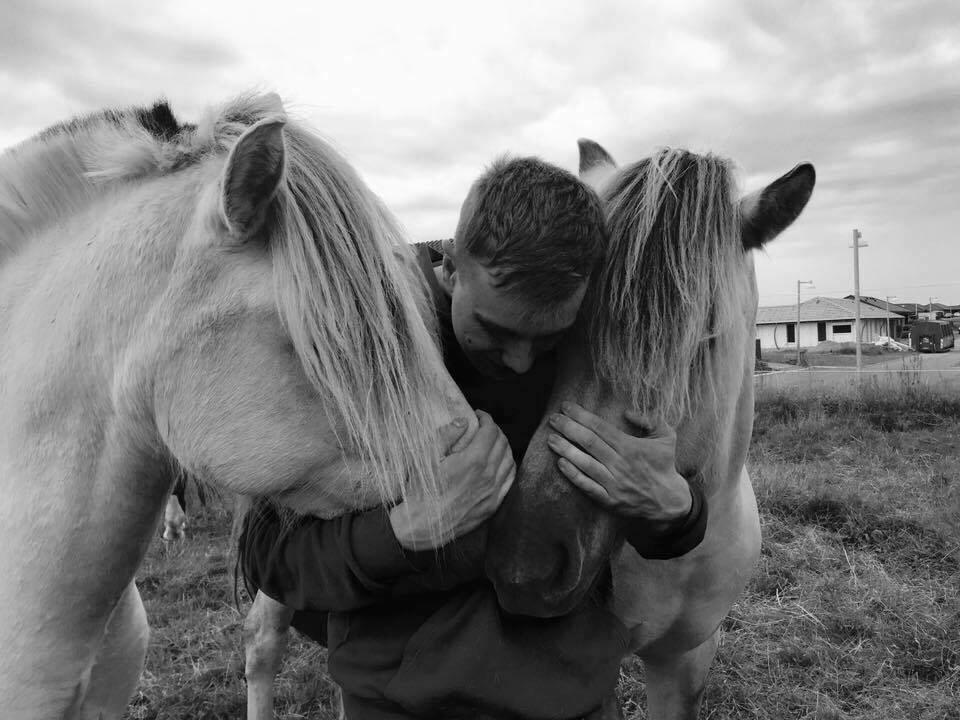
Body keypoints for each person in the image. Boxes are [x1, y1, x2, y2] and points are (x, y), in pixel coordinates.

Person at [240, 156, 707, 720]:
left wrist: (675, 510)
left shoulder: (588, 353)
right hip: (402, 707)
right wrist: (404, 532)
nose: (519, 361)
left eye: (548, 339)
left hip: (576, 700)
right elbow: (268, 557)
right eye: (494, 330)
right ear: (450, 267)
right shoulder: (364, 345)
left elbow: (639, 515)